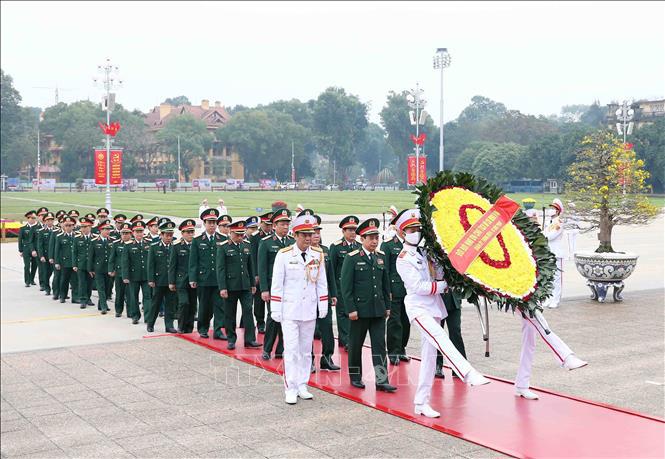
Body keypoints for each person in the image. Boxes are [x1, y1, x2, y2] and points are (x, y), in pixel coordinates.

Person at [394, 208, 490, 419]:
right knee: (440, 337)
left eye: (418, 228)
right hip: (418, 307)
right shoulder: (403, 258)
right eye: (411, 229)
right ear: (402, 233)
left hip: (434, 306)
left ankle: (421, 402)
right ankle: (467, 372)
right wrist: (443, 285)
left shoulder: (427, 252)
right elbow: (418, 286)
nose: (416, 232)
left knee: (429, 357)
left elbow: (438, 273)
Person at [270, 213, 328, 404]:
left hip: (309, 309)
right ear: (295, 235)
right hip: (290, 310)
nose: (308, 238)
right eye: (303, 235)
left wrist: (323, 304)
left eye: (310, 234)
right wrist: (275, 309)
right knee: (291, 349)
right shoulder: (284, 255)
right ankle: (291, 386)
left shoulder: (317, 254)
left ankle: (303, 384)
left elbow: (321, 282)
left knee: (305, 350)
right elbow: (277, 284)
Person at [341, 218, 395, 392]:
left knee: (380, 346)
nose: (374, 241)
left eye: (376, 238)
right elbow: (346, 287)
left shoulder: (381, 257)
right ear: (362, 239)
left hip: (378, 310)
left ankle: (381, 380)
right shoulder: (353, 258)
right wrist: (351, 309)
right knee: (355, 345)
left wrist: (387, 306)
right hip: (359, 311)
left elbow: (385, 284)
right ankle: (355, 377)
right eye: (370, 238)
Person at [514, 308, 587, 400]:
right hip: (513, 295)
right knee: (536, 318)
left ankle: (522, 384)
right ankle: (566, 357)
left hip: (523, 296)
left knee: (529, 337)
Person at [217, 219, 261, 350]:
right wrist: (222, 287)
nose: (240, 237)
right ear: (231, 232)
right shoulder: (224, 246)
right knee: (230, 313)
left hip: (245, 285)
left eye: (242, 234)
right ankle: (231, 339)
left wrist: (252, 283)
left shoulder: (246, 245)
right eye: (237, 234)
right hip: (230, 286)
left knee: (248, 311)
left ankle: (250, 339)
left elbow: (250, 266)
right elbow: (221, 269)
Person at [258, 208, 295, 360]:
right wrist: (264, 289)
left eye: (287, 224)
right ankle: (267, 349)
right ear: (274, 226)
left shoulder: (293, 242)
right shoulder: (266, 243)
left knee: (287, 319)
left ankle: (280, 349)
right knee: (273, 318)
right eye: (282, 224)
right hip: (274, 287)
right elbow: (262, 267)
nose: (286, 227)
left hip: (290, 288)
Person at [310, 213, 341, 371]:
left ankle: (327, 358)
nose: (316, 235)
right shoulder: (305, 252)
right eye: (313, 232)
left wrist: (333, 294)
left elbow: (331, 276)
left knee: (327, 328)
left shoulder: (325, 250)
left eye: (318, 232)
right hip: (308, 298)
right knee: (308, 330)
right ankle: (309, 360)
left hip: (324, 297)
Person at [189, 208, 226, 339]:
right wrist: (192, 278)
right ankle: (203, 328)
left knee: (219, 306)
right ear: (204, 223)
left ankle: (218, 330)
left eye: (214, 222)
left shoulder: (222, 239)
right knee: (204, 306)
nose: (212, 225)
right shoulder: (198, 240)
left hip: (218, 278)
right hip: (203, 278)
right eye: (209, 222)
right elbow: (193, 261)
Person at [380, 210, 410, 366]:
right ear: (397, 227)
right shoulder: (388, 245)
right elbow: (384, 270)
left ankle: (402, 348)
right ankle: (393, 351)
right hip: (394, 290)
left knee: (406, 321)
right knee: (394, 321)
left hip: (409, 289)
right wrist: (387, 291)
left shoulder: (411, 244)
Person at [328, 215, 361, 352]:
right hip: (341, 286)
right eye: (349, 230)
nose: (353, 233)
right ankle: (346, 340)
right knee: (343, 314)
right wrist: (333, 291)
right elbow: (332, 269)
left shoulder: (359, 246)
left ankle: (348, 339)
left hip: (356, 287)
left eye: (354, 230)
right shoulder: (336, 247)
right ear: (343, 231)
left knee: (354, 313)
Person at [146, 220, 178, 333]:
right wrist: (151, 279)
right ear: (161, 235)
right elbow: (150, 265)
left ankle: (169, 325)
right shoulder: (154, 247)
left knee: (170, 304)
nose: (169, 237)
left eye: (171, 235)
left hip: (171, 281)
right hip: (159, 280)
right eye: (167, 235)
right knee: (156, 303)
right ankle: (150, 323)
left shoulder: (175, 245)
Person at [169, 219, 198, 333]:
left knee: (192, 305)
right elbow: (172, 265)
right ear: (182, 233)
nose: (190, 234)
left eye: (192, 232)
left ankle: (189, 327)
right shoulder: (176, 246)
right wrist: (171, 282)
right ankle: (181, 326)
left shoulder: (197, 244)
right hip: (181, 280)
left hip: (194, 280)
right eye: (188, 232)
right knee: (184, 303)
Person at [121, 220, 152, 325]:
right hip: (133, 275)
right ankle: (135, 316)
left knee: (147, 297)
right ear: (133, 233)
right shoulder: (128, 245)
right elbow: (125, 262)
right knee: (133, 297)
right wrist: (125, 276)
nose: (139, 234)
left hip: (146, 275)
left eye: (141, 231)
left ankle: (148, 317)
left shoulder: (149, 243)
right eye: (136, 232)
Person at [250, 212, 273, 334]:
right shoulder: (255, 236)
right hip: (259, 272)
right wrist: (255, 274)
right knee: (259, 300)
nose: (268, 227)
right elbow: (253, 256)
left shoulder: (273, 235)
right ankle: (260, 322)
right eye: (266, 224)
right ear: (261, 223)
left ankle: (270, 322)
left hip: (270, 273)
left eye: (270, 225)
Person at [435, 291, 466, 379]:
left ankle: (460, 367)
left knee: (455, 332)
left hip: (454, 299)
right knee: (437, 334)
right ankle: (437, 365)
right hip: (437, 300)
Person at [88, 220, 113, 314]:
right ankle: (103, 306)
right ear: (100, 230)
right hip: (98, 269)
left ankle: (101, 304)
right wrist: (90, 269)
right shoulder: (94, 241)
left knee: (107, 288)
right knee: (101, 288)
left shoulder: (112, 241)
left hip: (109, 269)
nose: (107, 231)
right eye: (105, 229)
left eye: (109, 229)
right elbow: (90, 256)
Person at [544, 199, 565, 309]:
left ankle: (555, 300)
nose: (551, 210)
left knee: (556, 278)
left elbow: (551, 236)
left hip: (557, 253)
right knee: (549, 278)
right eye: (551, 207)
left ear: (558, 211)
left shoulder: (559, 222)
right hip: (548, 253)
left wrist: (543, 235)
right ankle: (549, 298)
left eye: (553, 208)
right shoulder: (549, 223)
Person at [109, 222, 132, 317]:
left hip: (131, 273)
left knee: (130, 294)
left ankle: (130, 312)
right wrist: (111, 270)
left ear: (131, 234)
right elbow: (112, 258)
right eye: (123, 233)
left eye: (127, 233)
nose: (125, 235)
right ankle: (118, 310)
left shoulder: (133, 244)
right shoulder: (116, 244)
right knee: (119, 293)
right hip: (119, 272)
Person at [54, 216, 77, 303]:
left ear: (73, 226)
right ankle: (62, 296)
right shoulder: (59, 236)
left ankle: (75, 297)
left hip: (74, 262)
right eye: (66, 225)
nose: (68, 227)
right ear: (64, 226)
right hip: (64, 262)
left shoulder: (77, 236)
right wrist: (57, 262)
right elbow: (57, 250)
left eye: (70, 225)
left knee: (75, 281)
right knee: (64, 280)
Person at [73, 217, 95, 308]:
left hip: (91, 265)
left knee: (90, 283)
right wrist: (74, 264)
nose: (83, 229)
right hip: (81, 264)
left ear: (90, 227)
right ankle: (82, 299)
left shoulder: (94, 238)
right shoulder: (77, 238)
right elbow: (74, 252)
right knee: (82, 282)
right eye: (82, 227)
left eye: (85, 227)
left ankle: (88, 298)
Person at [18, 210, 39, 288]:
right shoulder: (23, 228)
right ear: (28, 218)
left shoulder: (38, 228)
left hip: (35, 249)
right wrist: (20, 250)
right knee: (27, 266)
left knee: (34, 265)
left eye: (34, 218)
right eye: (31, 218)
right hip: (26, 249)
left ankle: (32, 279)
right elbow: (20, 240)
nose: (33, 219)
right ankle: (27, 281)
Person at [36, 212, 56, 296]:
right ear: (45, 221)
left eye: (51, 220)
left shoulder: (57, 230)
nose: (50, 222)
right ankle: (47, 288)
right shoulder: (41, 231)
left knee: (56, 274)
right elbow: (39, 245)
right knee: (46, 273)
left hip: (55, 256)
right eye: (48, 220)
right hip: (45, 255)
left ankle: (56, 290)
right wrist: (41, 256)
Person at [48, 213, 65, 300]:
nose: (64, 224)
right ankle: (56, 292)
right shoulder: (55, 233)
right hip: (57, 258)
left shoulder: (73, 233)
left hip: (67, 259)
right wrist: (51, 257)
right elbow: (51, 246)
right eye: (62, 222)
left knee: (64, 277)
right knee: (57, 276)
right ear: (59, 223)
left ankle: (63, 293)